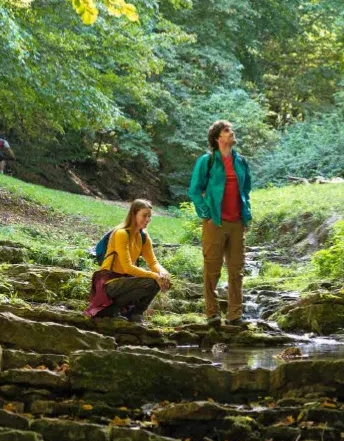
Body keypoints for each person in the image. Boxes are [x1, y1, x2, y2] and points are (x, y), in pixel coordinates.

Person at [188, 120, 253, 325]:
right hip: (215, 222)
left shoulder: (240, 161)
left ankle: (235, 315)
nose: (232, 133)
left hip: (237, 223)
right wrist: (206, 213)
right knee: (212, 268)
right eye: (227, 131)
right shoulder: (207, 161)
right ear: (218, 138)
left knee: (236, 270)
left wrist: (246, 214)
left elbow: (246, 190)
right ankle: (212, 313)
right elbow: (195, 190)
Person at [84, 199, 172, 324]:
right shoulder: (121, 234)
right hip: (108, 283)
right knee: (152, 281)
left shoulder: (144, 236)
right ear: (134, 214)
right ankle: (109, 309)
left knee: (158, 280)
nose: (148, 219)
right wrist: (155, 276)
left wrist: (163, 273)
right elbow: (127, 267)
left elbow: (153, 262)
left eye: (149, 216)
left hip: (125, 280)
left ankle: (135, 314)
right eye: (144, 215)